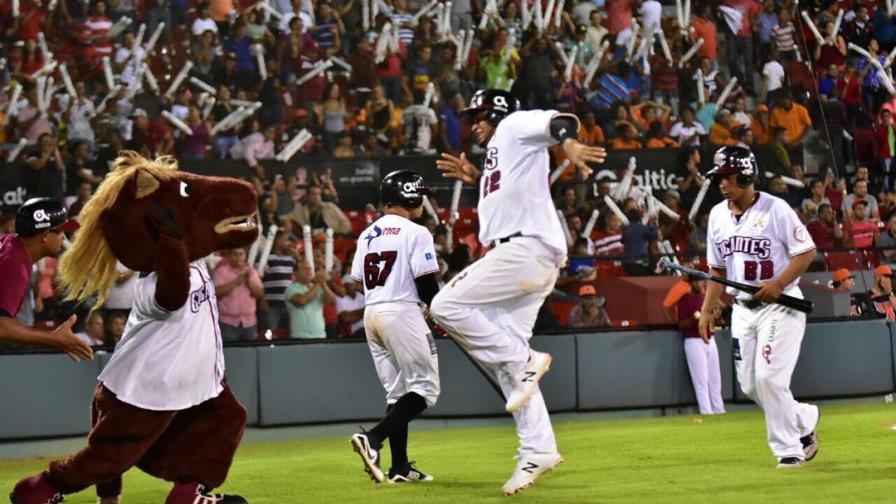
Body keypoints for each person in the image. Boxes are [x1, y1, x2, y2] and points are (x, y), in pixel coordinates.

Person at [432, 89, 606, 494]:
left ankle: (523, 357)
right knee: (511, 371)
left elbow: (560, 121)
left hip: (525, 247)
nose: (474, 122)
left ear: (496, 112)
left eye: (479, 114)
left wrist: (569, 143)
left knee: (445, 305)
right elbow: (510, 189)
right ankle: (538, 448)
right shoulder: (501, 151)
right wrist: (478, 179)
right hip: (528, 253)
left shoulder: (513, 124)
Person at [699, 146, 820, 469]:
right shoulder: (717, 216)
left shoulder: (776, 209)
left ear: (747, 174)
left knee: (769, 379)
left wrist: (779, 283)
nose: (722, 184)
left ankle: (788, 450)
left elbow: (806, 252)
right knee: (751, 385)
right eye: (719, 178)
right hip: (742, 310)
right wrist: (708, 308)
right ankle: (804, 418)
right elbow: (717, 270)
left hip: (781, 305)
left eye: (728, 176)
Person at [349, 170, 442, 484]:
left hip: (372, 312)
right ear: (410, 195)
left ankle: (399, 467)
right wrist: (441, 312)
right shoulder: (416, 232)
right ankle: (373, 438)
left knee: (397, 392)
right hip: (401, 311)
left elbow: (357, 282)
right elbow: (426, 281)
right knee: (425, 389)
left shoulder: (367, 234)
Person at [0, 198, 92, 361]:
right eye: (60, 231)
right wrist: (53, 338)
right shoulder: (15, 266)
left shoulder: (10, 244)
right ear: (45, 235)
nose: (64, 238)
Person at [663, 274, 726, 415]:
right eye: (697, 281)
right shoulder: (685, 299)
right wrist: (694, 317)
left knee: (715, 379)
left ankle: (719, 410)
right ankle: (706, 411)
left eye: (701, 280)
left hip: (710, 339)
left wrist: (717, 316)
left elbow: (718, 319)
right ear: (691, 283)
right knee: (701, 380)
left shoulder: (706, 298)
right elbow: (681, 324)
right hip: (693, 340)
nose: (700, 284)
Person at [214, 247, 264, 342]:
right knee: (231, 354)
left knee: (250, 354)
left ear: (245, 256)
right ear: (229, 256)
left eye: (241, 254)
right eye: (235, 254)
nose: (238, 257)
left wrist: (248, 282)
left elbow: (260, 294)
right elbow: (216, 292)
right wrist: (236, 281)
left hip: (250, 322)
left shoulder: (251, 272)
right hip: (228, 323)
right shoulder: (221, 272)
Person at [285, 260, 337, 339]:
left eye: (309, 268)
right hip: (300, 336)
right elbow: (301, 301)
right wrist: (318, 283)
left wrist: (323, 284)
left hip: (320, 335)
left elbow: (333, 301)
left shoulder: (317, 286)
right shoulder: (291, 289)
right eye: (304, 269)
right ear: (295, 274)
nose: (308, 271)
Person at [336, 273, 365, 338]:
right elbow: (346, 318)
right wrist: (365, 311)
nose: (352, 286)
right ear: (344, 286)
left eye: (353, 284)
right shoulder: (340, 298)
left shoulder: (361, 296)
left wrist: (354, 315)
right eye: (349, 284)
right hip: (355, 332)